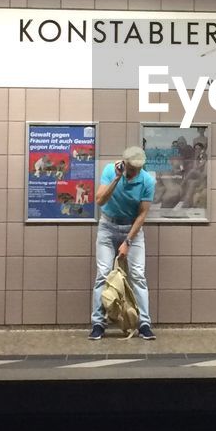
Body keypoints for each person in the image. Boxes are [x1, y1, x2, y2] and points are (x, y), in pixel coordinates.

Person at [90, 145, 155, 340]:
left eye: (137, 170)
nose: (133, 173)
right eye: (130, 168)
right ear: (123, 163)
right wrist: (117, 178)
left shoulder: (147, 181)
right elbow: (100, 200)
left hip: (132, 230)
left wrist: (128, 241)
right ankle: (98, 323)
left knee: (138, 275)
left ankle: (144, 323)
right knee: (102, 274)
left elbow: (142, 214)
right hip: (107, 227)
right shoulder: (111, 171)